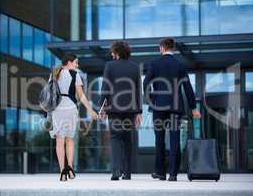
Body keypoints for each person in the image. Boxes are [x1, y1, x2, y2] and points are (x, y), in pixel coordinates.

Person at [143, 38, 201, 181]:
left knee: (160, 140)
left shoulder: (154, 63)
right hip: (175, 107)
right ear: (172, 49)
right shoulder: (180, 64)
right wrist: (193, 108)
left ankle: (160, 172)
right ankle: (173, 174)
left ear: (162, 48)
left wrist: (152, 98)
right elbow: (188, 87)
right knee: (175, 140)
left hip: (158, 107)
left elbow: (146, 83)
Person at [99, 41, 142, 181]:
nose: (111, 54)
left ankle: (116, 171)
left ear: (116, 52)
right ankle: (127, 172)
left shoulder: (109, 66)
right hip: (130, 109)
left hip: (114, 109)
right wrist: (139, 112)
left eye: (112, 52)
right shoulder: (135, 67)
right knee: (127, 139)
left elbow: (105, 87)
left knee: (115, 138)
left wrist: (102, 107)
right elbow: (138, 91)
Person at [51, 53, 98, 181]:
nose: (77, 65)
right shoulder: (75, 74)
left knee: (59, 140)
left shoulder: (54, 73)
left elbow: (50, 93)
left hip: (57, 109)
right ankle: (70, 168)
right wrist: (90, 110)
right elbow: (81, 96)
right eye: (76, 63)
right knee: (70, 140)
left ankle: (62, 171)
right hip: (70, 108)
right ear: (69, 62)